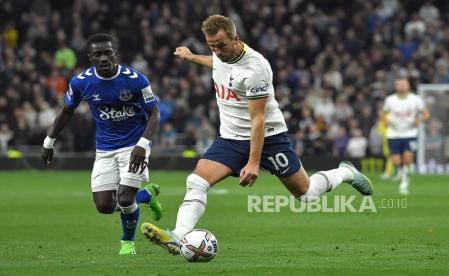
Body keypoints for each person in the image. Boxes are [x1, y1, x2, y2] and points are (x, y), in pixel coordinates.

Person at [140, 15, 373, 255]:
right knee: (196, 181)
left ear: (236, 39)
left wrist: (253, 162)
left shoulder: (255, 69)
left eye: (220, 45)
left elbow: (258, 120)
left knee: (306, 195)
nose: (217, 51)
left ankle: (346, 172)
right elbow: (218, 63)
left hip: (269, 137)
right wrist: (192, 57)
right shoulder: (222, 55)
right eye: (211, 46)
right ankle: (178, 236)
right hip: (231, 138)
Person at [41, 33, 163, 255]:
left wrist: (142, 145)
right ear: (91, 57)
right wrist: (49, 141)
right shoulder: (81, 82)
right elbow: (66, 111)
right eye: (98, 54)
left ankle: (127, 242)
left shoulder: (136, 79)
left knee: (125, 198)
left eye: (108, 53)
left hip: (134, 146)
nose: (104, 58)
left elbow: (154, 113)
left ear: (115, 54)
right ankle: (146, 196)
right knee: (104, 206)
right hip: (105, 149)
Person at [380, 77, 429, 195]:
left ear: (408, 86)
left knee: (407, 158)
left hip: (410, 133)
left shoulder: (416, 99)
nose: (401, 86)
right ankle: (400, 173)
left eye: (403, 84)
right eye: (399, 84)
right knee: (396, 162)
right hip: (394, 133)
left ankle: (404, 183)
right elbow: (383, 112)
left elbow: (426, 114)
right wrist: (385, 121)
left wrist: (419, 120)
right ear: (396, 86)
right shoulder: (390, 100)